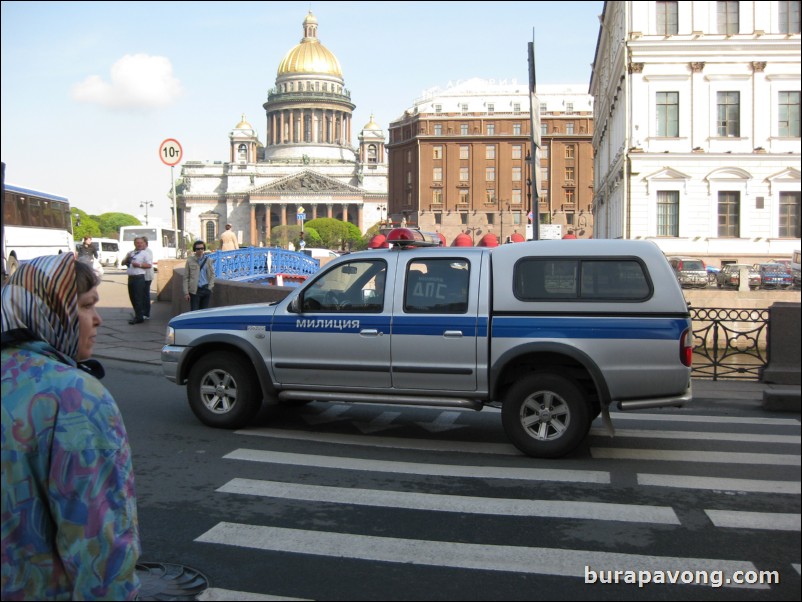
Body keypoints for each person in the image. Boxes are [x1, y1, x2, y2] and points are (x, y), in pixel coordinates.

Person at [1, 253, 141, 600]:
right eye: (86, 306)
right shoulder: (76, 397)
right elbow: (99, 548)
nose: (98, 320)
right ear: (51, 311)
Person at [121, 236, 153, 324]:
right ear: (134, 243)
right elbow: (123, 262)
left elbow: (149, 265)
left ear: (144, 243)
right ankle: (138, 315)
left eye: (141, 243)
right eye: (137, 243)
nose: (139, 244)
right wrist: (126, 260)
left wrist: (139, 265)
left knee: (138, 297)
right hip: (131, 277)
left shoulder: (145, 253)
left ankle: (140, 317)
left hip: (139, 277)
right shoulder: (131, 253)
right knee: (132, 298)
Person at [184, 240, 215, 311]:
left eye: (202, 248)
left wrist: (210, 287)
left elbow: (212, 275)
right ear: (195, 250)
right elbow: (186, 277)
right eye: (198, 249)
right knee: (194, 312)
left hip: (206, 289)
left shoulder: (208, 260)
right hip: (195, 290)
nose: (200, 250)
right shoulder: (190, 261)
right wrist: (186, 293)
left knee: (204, 313)